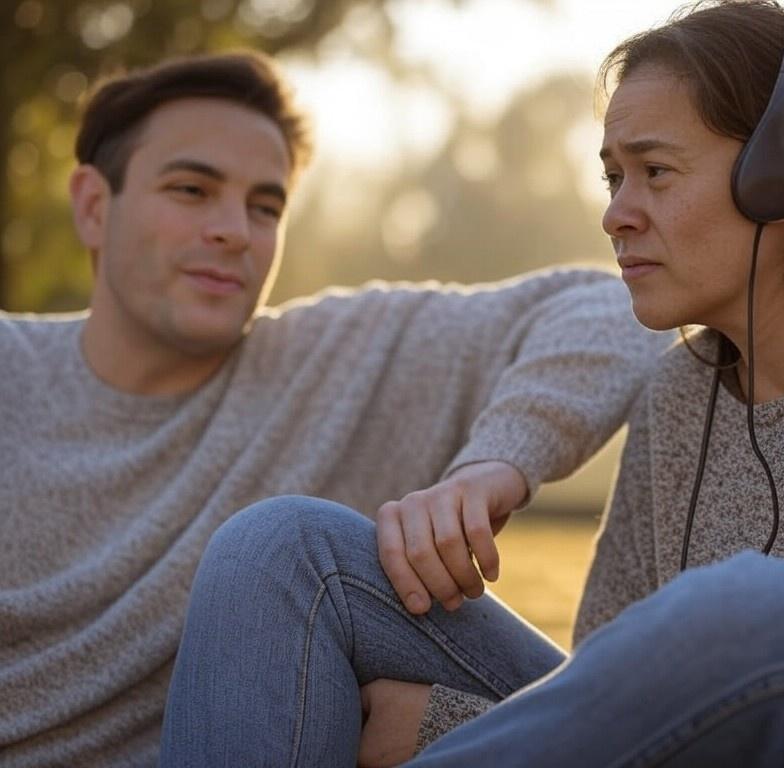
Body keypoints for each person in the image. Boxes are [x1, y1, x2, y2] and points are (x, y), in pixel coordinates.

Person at [160, 3, 784, 766]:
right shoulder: (678, 395)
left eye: (654, 171)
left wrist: (437, 734)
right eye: (612, 175)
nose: (616, 211)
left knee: (748, 610)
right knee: (283, 550)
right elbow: (612, 699)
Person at [0, 52, 670, 766]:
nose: (235, 230)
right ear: (94, 207)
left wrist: (492, 464)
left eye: (265, 206)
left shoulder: (335, 357)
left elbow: (606, 310)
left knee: (281, 540)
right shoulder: (13, 369)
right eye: (192, 190)